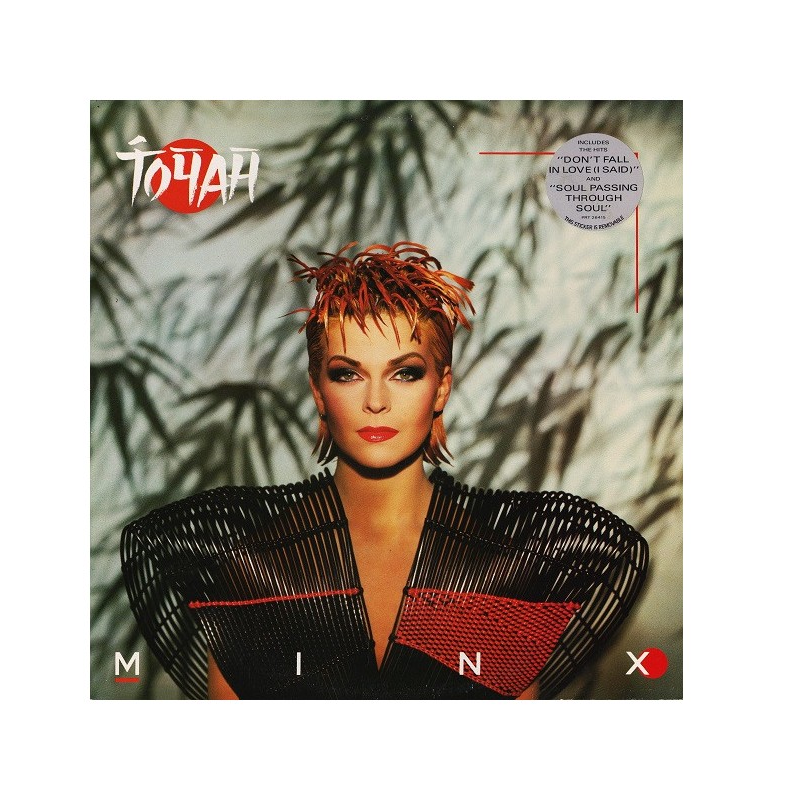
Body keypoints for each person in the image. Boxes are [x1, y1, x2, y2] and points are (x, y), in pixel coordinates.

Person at [121, 241, 648, 700]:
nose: (376, 401)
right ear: (318, 392)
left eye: (405, 373)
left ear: (441, 388)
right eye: (347, 374)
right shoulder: (249, 565)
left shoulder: (504, 568)